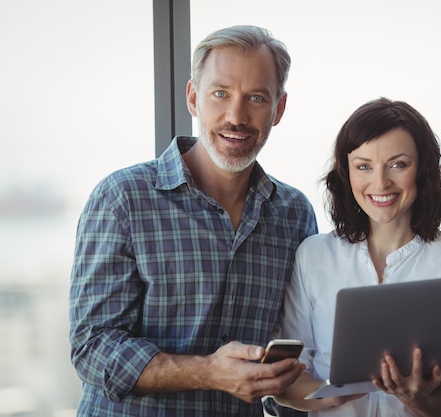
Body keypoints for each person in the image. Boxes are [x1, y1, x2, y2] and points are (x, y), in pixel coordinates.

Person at [69, 25, 317, 417]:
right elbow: (92, 348)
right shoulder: (123, 198)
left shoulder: (294, 214)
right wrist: (209, 373)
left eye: (255, 97)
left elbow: (298, 347)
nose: (236, 116)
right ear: (193, 98)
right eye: (221, 94)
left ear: (278, 109)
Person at [273, 98, 441, 416]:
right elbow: (287, 381)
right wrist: (331, 395)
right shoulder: (313, 257)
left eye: (398, 164)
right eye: (363, 166)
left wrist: (417, 398)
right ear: (346, 173)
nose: (381, 182)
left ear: (423, 169)